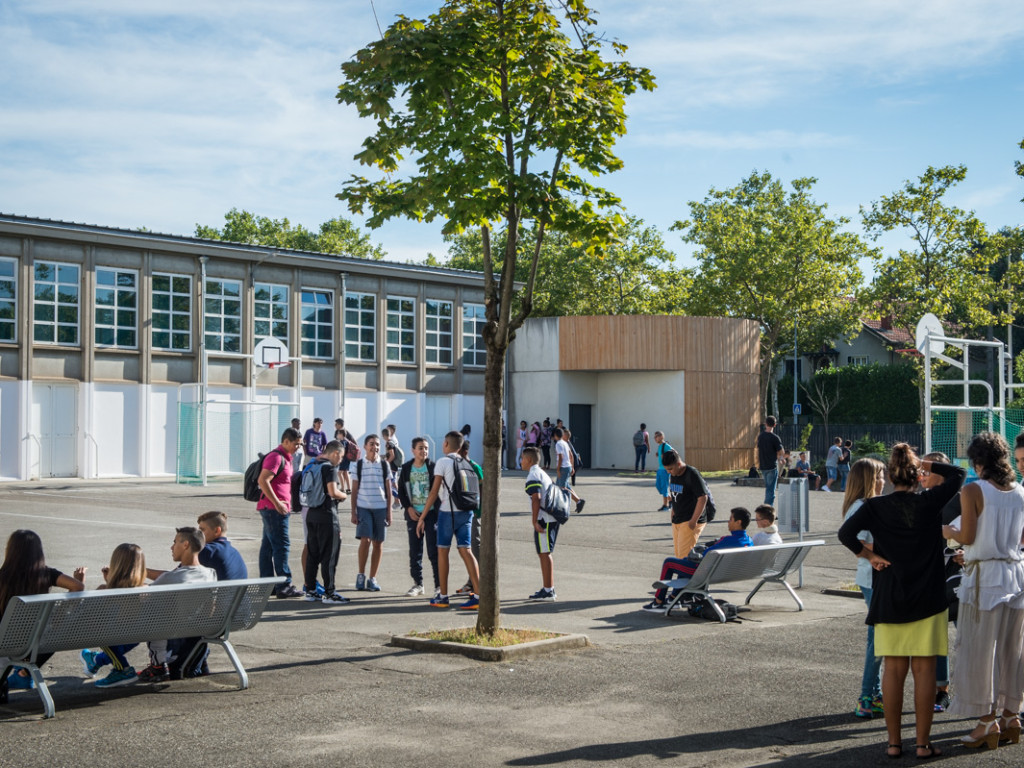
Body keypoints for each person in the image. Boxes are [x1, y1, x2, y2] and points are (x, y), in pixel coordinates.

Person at [838, 445, 965, 760]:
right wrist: (922, 462)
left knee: (894, 671)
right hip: (928, 597)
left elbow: (846, 534)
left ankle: (894, 744)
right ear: (916, 474)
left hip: (889, 597)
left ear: (891, 476)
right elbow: (959, 473)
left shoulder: (874, 506)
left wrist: (870, 556)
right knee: (924, 671)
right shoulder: (930, 500)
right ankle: (922, 744)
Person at [946, 432, 1024, 749]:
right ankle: (1011, 716)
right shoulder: (1020, 491)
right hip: (1016, 574)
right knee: (1012, 650)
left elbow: (965, 535)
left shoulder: (973, 489)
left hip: (985, 577)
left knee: (981, 652)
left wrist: (944, 530)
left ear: (978, 463)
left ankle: (985, 721)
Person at [0, 530, 85, 698]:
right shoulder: (47, 574)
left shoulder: (3, 576)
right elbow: (77, 587)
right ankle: (22, 674)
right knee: (51, 631)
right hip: (36, 643)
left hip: (5, 642)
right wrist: (59, 612)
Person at [139, 527, 217, 683]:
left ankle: (157, 666)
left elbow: (142, 598)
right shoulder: (210, 573)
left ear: (186, 544)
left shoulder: (171, 577)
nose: (171, 547)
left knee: (150, 617)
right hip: (198, 630)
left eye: (175, 542)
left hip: (171, 632)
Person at [840, 457, 886, 720]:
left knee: (876, 639)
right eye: (880, 476)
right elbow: (856, 544)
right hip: (872, 580)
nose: (884, 480)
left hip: (872, 579)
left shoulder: (868, 505)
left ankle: (874, 694)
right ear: (869, 479)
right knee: (877, 640)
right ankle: (867, 696)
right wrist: (880, 555)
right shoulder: (861, 506)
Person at [641, 507, 753, 613]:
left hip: (706, 573)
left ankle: (658, 601)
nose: (728, 522)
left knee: (669, 563)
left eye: (730, 519)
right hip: (727, 573)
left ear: (738, 522)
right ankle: (674, 598)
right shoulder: (748, 541)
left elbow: (706, 554)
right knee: (684, 563)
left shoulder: (728, 541)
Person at [416, 430, 480, 610]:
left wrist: (423, 517)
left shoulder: (443, 462)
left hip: (447, 512)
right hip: (466, 511)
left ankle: (443, 596)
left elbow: (434, 491)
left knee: (442, 552)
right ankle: (478, 595)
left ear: (445, 444)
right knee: (466, 551)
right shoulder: (466, 462)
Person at [919, 451, 961, 714]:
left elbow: (975, 533)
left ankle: (978, 691)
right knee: (935, 639)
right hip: (929, 580)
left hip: (959, 580)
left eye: (928, 470)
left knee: (967, 638)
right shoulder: (917, 500)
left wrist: (963, 549)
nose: (922, 475)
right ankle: (941, 691)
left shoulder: (962, 500)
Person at [81, 543, 148, 688]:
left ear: (116, 565)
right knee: (116, 634)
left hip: (113, 637)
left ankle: (123, 669)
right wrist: (110, 583)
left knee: (99, 632)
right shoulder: (148, 590)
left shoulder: (104, 591)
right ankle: (96, 660)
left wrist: (81, 584)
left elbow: (83, 615)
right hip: (139, 636)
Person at [257, 427, 303, 598]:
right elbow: (263, 480)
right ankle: (284, 585)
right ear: (285, 441)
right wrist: (277, 503)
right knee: (281, 546)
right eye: (295, 444)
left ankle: (267, 585)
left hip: (272, 508)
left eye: (299, 445)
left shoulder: (285, 458)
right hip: (274, 510)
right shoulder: (276, 457)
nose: (298, 447)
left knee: (268, 547)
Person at [301, 440, 349, 605]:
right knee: (330, 556)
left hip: (311, 513)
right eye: (341, 457)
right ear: (335, 453)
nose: (340, 461)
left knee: (312, 555)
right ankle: (330, 592)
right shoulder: (329, 467)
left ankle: (311, 590)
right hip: (327, 516)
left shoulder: (312, 465)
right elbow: (332, 492)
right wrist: (344, 495)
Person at [396, 437, 440, 598]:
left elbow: (435, 493)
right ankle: (418, 584)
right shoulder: (407, 468)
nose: (424, 451)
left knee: (434, 551)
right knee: (415, 550)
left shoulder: (433, 467)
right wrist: (408, 508)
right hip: (413, 515)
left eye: (426, 448)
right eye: (421, 448)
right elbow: (401, 490)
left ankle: (439, 586)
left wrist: (426, 514)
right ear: (413, 450)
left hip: (431, 514)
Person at [350, 434, 392, 592]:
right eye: (372, 444)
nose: (375, 447)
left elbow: (388, 490)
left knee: (378, 543)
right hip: (364, 507)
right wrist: (353, 512)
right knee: (365, 540)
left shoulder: (384, 465)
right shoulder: (358, 465)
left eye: (377, 445)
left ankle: (372, 578)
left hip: (380, 507)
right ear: (365, 446)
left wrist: (389, 512)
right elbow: (354, 490)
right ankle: (361, 575)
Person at [662, 448, 715, 559]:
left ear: (678, 463)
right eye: (666, 469)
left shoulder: (692, 474)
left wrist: (693, 521)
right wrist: (673, 511)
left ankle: (686, 576)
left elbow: (703, 498)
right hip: (678, 519)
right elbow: (676, 494)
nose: (669, 472)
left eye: (670, 469)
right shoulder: (674, 474)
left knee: (684, 558)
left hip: (690, 520)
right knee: (678, 556)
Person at [522, 446, 558, 601]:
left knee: (544, 553)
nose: (520, 461)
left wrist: (534, 520)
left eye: (522, 458)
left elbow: (536, 497)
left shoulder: (533, 475)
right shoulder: (542, 472)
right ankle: (547, 588)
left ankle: (549, 590)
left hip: (545, 519)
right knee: (544, 552)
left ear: (529, 460)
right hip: (551, 518)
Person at [455, 440, 484, 594]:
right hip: (461, 512)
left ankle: (475, 583)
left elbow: (483, 488)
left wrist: (480, 510)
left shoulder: (474, 467)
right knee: (465, 547)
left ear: (464, 451)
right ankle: (471, 581)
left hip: (474, 513)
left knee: (474, 547)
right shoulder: (457, 466)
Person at [196, 511, 248, 581]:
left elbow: (180, 574)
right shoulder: (235, 553)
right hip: (237, 591)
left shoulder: (208, 551)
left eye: (202, 530)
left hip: (220, 591)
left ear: (217, 530)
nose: (198, 534)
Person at [553, 427, 584, 513]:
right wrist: (572, 466)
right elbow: (571, 455)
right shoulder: (565, 443)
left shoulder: (558, 444)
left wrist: (558, 469)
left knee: (562, 488)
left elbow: (560, 457)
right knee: (563, 487)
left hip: (563, 468)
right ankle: (576, 501)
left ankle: (578, 501)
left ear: (555, 435)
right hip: (568, 467)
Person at [756, 416, 785, 504]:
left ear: (765, 424)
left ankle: (766, 510)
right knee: (770, 490)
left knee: (768, 488)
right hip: (772, 466)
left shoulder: (760, 437)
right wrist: (780, 458)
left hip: (763, 466)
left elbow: (759, 449)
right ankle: (767, 511)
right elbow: (781, 451)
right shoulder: (775, 438)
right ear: (775, 425)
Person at [653, 431, 673, 511]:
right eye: (654, 437)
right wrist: (658, 454)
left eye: (656, 437)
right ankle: (670, 499)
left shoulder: (666, 445)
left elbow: (673, 454)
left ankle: (665, 505)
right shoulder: (660, 446)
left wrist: (665, 456)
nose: (655, 438)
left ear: (661, 437)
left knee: (664, 487)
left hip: (665, 470)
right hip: (660, 469)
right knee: (658, 486)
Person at [335, 418, 356, 494]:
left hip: (343, 459)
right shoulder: (346, 439)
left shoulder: (343, 440)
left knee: (340, 473)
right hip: (347, 458)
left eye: (336, 424)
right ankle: (348, 488)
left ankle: (343, 488)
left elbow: (342, 449)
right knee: (345, 472)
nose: (337, 435)